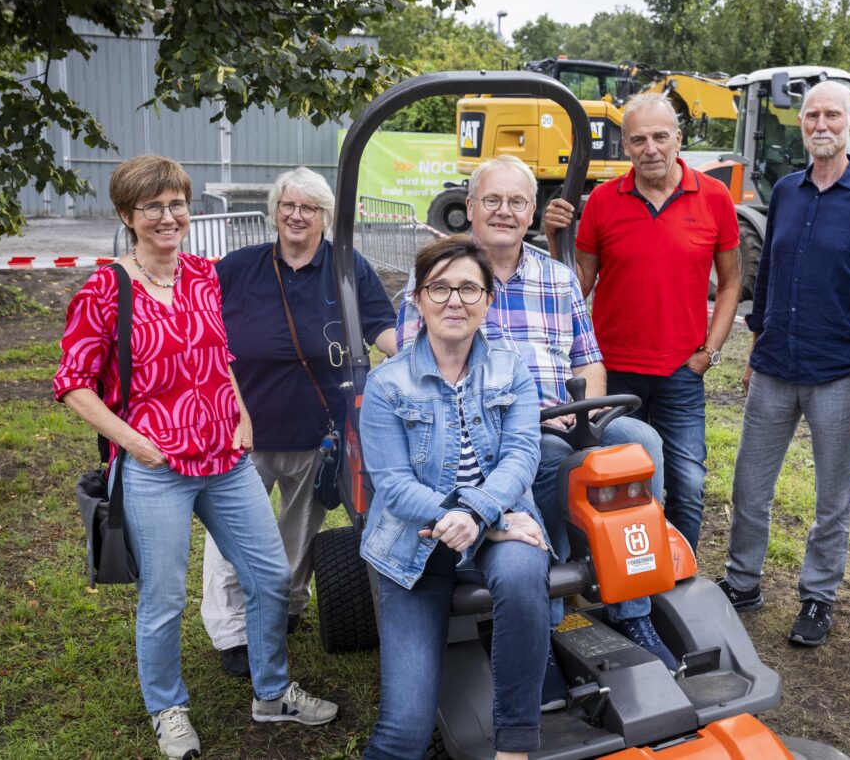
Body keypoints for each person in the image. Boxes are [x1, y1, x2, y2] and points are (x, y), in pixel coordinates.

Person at [54, 155, 337, 760]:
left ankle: (271, 693)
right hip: (156, 468)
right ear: (127, 216)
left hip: (226, 460)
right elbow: (73, 384)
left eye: (176, 204)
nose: (168, 217)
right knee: (164, 599)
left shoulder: (204, 275)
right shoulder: (106, 290)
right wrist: (133, 443)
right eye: (152, 207)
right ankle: (168, 708)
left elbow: (219, 354)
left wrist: (242, 413)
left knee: (270, 575)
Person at [400, 156, 674, 690]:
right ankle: (540, 621)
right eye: (492, 200)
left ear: (532, 213)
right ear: (470, 208)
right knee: (545, 461)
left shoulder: (558, 277)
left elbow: (588, 360)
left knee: (639, 441)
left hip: (567, 415)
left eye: (517, 202)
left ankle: (631, 605)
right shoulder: (443, 279)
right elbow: (418, 369)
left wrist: (588, 408)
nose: (504, 211)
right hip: (489, 433)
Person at [718, 81, 850, 647]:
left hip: (837, 370)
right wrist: (756, 342)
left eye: (832, 115)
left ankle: (818, 597)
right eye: (811, 116)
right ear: (801, 124)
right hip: (775, 364)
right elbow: (769, 275)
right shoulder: (786, 191)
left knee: (832, 497)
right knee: (749, 486)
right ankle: (742, 583)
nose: (820, 125)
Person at [199, 167, 397, 678]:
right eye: (288, 205)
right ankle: (233, 632)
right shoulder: (239, 267)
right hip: (241, 428)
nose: (296, 215)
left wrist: (418, 355)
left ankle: (284, 607)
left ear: (325, 217)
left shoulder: (347, 268)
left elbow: (382, 326)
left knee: (300, 526)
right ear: (274, 211)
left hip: (320, 430)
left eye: (308, 208)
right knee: (229, 536)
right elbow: (197, 325)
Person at [361, 236, 549, 760]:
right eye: (439, 288)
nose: (454, 301)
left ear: (488, 300)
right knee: (403, 733)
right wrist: (482, 521)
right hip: (414, 546)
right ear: (417, 299)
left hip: (496, 520)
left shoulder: (511, 369)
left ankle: (514, 747)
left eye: (469, 289)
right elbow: (394, 486)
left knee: (522, 569)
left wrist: (482, 515)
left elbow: (521, 455)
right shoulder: (386, 384)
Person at [544, 93, 741, 552]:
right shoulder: (603, 200)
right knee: (617, 483)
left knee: (687, 485)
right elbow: (578, 285)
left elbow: (731, 282)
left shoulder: (714, 197)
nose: (650, 148)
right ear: (626, 146)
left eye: (659, 137)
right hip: (613, 373)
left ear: (678, 139)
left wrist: (709, 353)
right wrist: (556, 240)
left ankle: (678, 577)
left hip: (680, 372)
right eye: (638, 140)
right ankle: (624, 574)